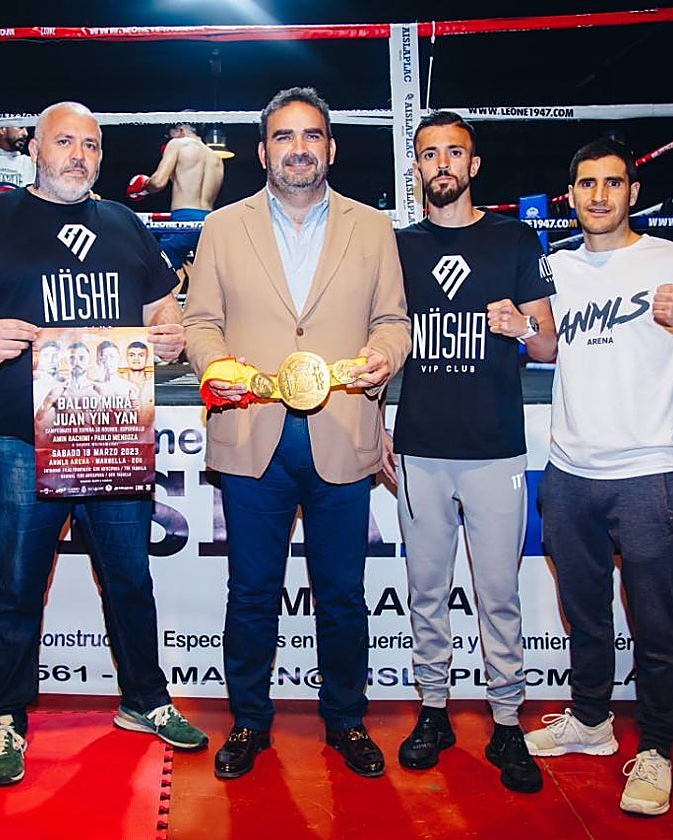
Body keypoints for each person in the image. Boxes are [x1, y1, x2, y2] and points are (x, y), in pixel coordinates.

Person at [0, 100, 207, 788]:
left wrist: (171, 334)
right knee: (18, 582)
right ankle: (6, 717)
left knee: (129, 577)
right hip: (20, 434)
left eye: (91, 144)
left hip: (111, 429)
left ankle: (145, 700)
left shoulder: (123, 224)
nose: (79, 155)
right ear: (35, 148)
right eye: (65, 142)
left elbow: (160, 308)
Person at [183, 87, 410, 780]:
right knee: (252, 590)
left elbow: (393, 322)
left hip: (344, 432)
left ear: (331, 148)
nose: (300, 147)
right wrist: (219, 366)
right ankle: (249, 720)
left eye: (312, 135)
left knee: (341, 593)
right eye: (285, 136)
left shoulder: (373, 227)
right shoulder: (223, 226)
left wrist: (385, 359)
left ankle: (345, 718)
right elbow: (200, 324)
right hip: (253, 433)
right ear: (263, 151)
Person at [524, 138, 673, 816]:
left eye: (612, 183)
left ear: (633, 192)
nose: (598, 195)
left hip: (648, 469)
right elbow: (549, 348)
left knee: (654, 621)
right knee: (584, 614)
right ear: (572, 193)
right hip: (569, 468)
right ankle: (590, 721)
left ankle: (657, 749)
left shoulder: (671, 260)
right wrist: (519, 326)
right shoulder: (555, 266)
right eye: (586, 183)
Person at [387, 111, 556, 794]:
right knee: (426, 591)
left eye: (454, 152)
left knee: (498, 594)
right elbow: (373, 335)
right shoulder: (397, 245)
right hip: (421, 448)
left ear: (474, 164)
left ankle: (508, 721)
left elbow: (547, 345)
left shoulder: (514, 237)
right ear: (418, 168)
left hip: (494, 449)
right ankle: (434, 712)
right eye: (429, 154)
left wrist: (522, 327)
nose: (442, 164)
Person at [126, 122, 224, 279]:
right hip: (208, 223)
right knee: (207, 280)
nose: (168, 138)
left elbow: (158, 182)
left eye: (169, 133)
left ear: (180, 129)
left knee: (153, 274)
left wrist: (144, 186)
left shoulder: (178, 144)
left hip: (183, 220)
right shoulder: (216, 157)